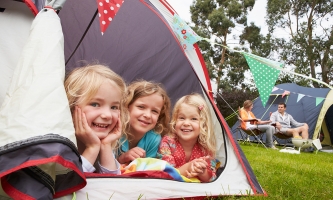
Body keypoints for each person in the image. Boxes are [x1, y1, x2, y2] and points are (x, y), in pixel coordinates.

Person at [64, 64, 127, 174]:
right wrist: (92, 148)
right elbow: (68, 183)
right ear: (71, 106)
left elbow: (113, 186)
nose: (107, 115)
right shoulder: (60, 148)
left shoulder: (104, 144)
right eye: (95, 104)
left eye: (114, 107)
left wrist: (106, 146)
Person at [157, 93, 217, 183]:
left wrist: (202, 172)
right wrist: (189, 167)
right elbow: (167, 174)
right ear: (175, 120)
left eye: (193, 119)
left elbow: (212, 178)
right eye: (181, 118)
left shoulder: (206, 148)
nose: (186, 123)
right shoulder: (167, 142)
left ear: (203, 124)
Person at [116, 80, 171, 164]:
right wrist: (122, 159)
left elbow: (147, 170)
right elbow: (103, 168)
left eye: (154, 111)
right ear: (127, 107)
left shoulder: (154, 139)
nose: (148, 115)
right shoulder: (115, 131)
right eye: (141, 107)